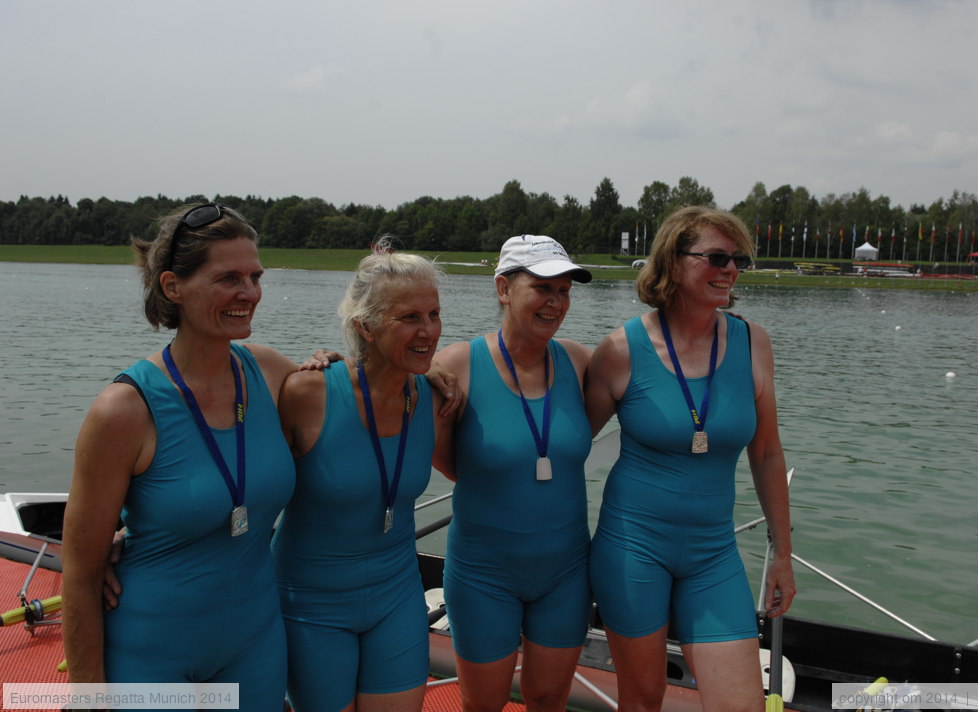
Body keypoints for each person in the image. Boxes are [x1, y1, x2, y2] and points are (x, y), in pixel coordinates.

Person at [62, 203, 298, 711]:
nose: (250, 294)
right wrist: (89, 699)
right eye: (228, 278)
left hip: (256, 646)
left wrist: (431, 377)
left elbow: (362, 403)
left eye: (255, 277)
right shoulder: (123, 411)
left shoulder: (271, 371)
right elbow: (80, 573)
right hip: (150, 653)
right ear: (173, 287)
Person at [585, 206, 796, 712]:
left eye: (738, 259)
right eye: (717, 257)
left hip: (713, 555)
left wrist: (783, 555)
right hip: (631, 549)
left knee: (740, 705)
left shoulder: (753, 343)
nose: (730, 270)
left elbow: (766, 452)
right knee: (643, 700)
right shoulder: (620, 350)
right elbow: (570, 448)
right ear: (673, 262)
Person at [272, 249, 448, 712]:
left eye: (434, 314)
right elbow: (242, 482)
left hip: (397, 598)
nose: (428, 330)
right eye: (409, 317)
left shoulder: (435, 395)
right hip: (311, 605)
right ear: (364, 327)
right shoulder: (307, 392)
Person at [433, 235, 594, 712]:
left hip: (565, 572)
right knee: (484, 705)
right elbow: (446, 463)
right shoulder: (456, 365)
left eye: (564, 290)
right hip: (485, 572)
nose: (556, 302)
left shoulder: (580, 362)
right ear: (503, 288)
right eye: (543, 288)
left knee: (549, 700)